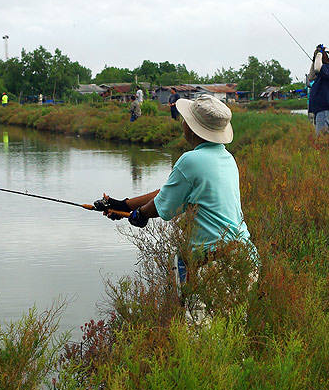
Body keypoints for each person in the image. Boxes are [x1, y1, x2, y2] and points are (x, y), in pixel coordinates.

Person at [97, 95, 256, 300]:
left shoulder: (191, 160)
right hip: (244, 258)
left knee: (203, 330)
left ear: (191, 127)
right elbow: (167, 192)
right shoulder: (226, 157)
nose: (182, 122)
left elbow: (163, 206)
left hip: (217, 267)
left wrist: (140, 214)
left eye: (185, 119)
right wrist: (124, 205)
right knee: (233, 328)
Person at [306, 44, 329, 135]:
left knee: (322, 138)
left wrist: (319, 54)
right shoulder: (324, 72)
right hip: (320, 110)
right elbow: (311, 76)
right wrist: (315, 59)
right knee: (322, 137)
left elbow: (318, 68)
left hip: (325, 109)